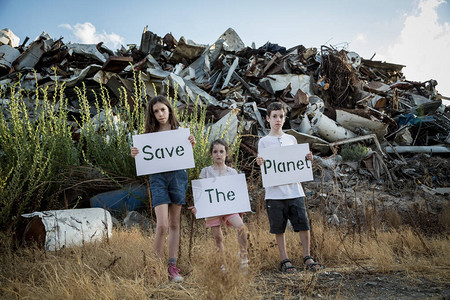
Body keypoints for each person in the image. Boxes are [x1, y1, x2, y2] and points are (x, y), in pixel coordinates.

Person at [131, 95, 195, 282]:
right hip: (158, 178)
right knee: (162, 225)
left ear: (169, 110)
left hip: (178, 177)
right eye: (156, 111)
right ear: (152, 114)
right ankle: (154, 267)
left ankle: (172, 267)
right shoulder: (147, 137)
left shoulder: (180, 132)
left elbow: (186, 153)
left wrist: (191, 142)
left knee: (174, 223)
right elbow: (143, 157)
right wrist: (135, 153)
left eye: (163, 110)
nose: (160, 114)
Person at [256, 102, 323, 273]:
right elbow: (264, 164)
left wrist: (307, 158)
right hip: (275, 193)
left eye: (281, 116)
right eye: (274, 116)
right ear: (267, 119)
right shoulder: (264, 142)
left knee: (303, 223)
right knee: (279, 227)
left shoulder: (291, 139)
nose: (278, 120)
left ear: (285, 118)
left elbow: (298, 161)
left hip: (294, 190)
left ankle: (307, 257)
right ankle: (285, 260)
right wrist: (260, 162)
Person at [188, 139, 249, 273]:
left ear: (226, 153)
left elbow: (237, 191)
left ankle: (243, 257)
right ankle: (223, 264)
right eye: (215, 152)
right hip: (212, 208)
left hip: (229, 206)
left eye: (221, 151)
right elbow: (201, 192)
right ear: (211, 154)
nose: (218, 154)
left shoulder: (232, 172)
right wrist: (197, 206)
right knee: (218, 237)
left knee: (241, 227)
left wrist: (242, 202)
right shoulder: (206, 172)